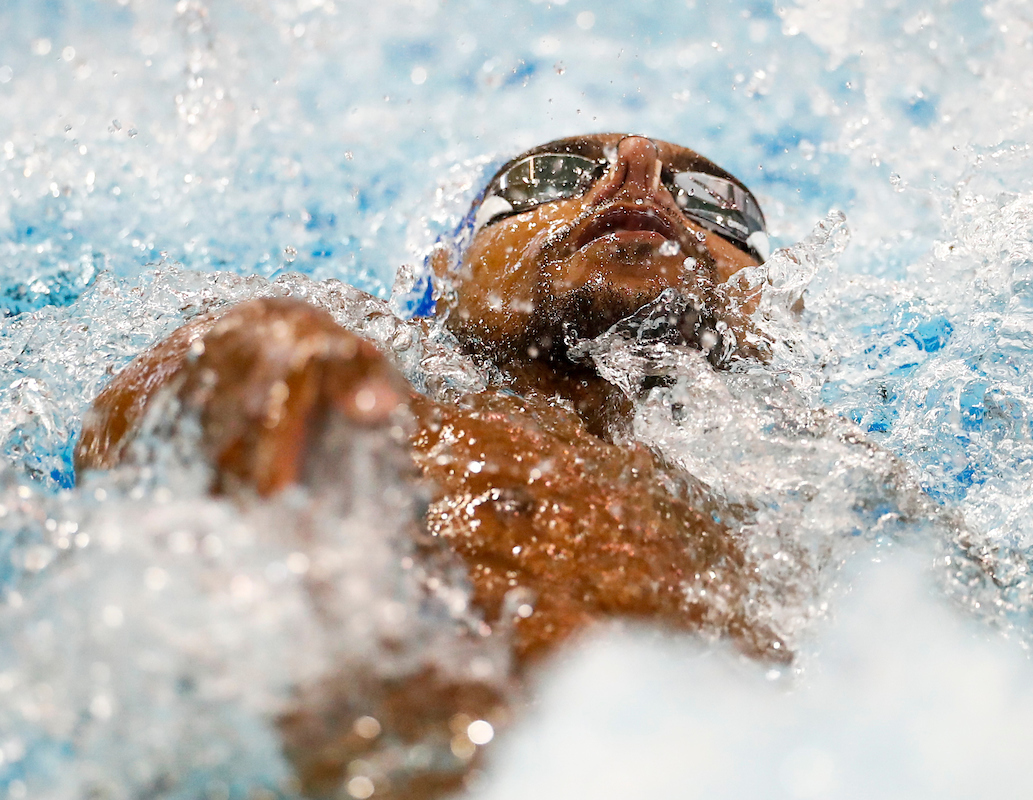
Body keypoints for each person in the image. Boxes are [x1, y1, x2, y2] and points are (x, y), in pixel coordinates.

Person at [73, 134, 784, 798]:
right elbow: (141, 427)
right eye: (553, 176)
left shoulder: (822, 502)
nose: (635, 172)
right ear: (449, 275)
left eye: (712, 201)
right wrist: (254, 368)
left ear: (777, 310)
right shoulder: (377, 406)